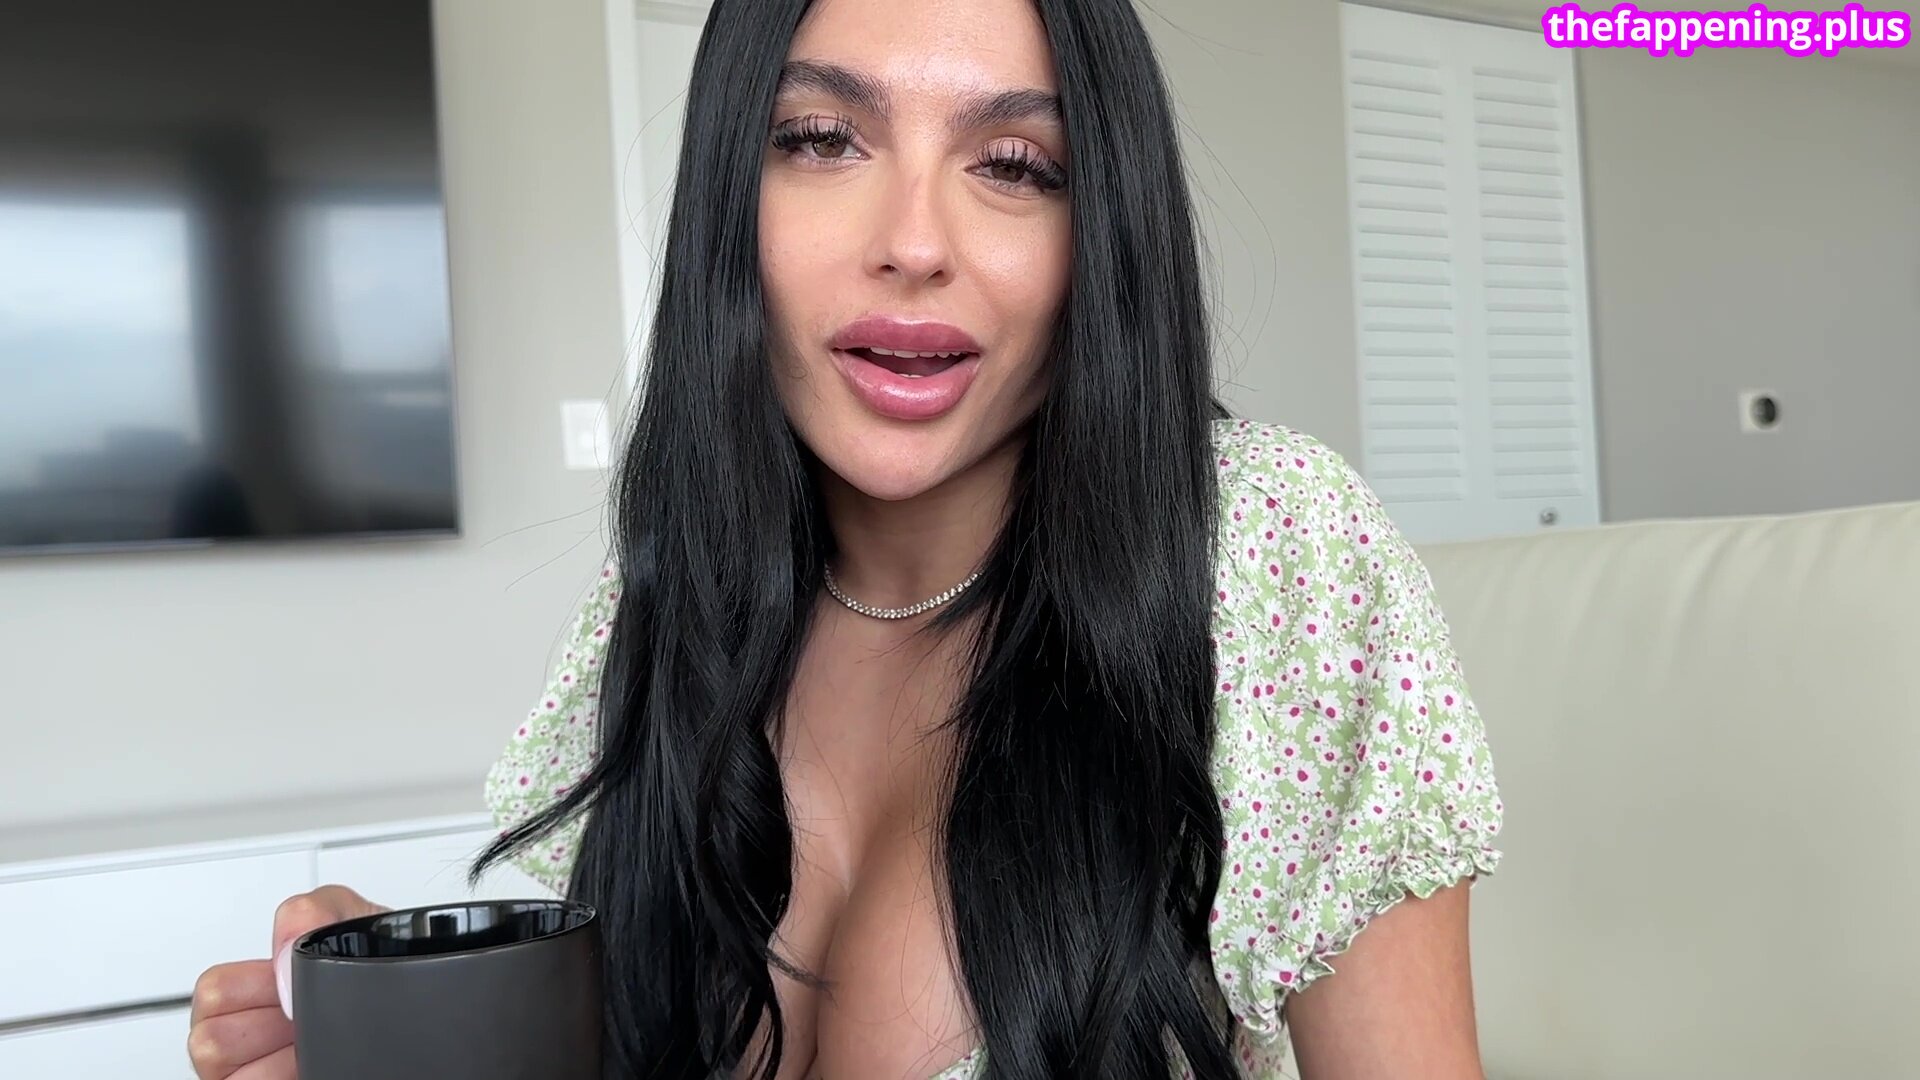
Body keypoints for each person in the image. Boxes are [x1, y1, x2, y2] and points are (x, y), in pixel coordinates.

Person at [187, 0, 1503, 1077]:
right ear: (729, 200)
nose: (914, 243)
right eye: (822, 141)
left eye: (1015, 165)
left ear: (1100, 233)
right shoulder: (671, 595)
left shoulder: (1273, 552)